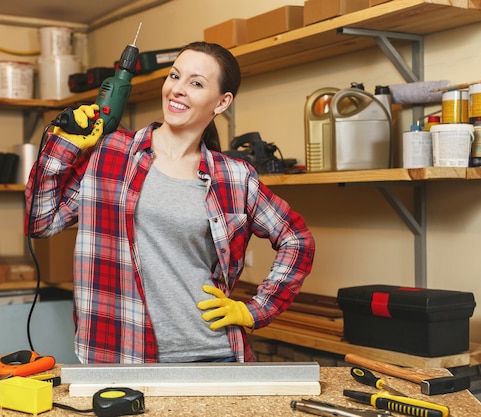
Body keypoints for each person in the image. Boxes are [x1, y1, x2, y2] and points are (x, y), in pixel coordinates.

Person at [25, 41, 315, 364]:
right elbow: (41, 221)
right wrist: (62, 146)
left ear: (222, 102)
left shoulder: (234, 178)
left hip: (210, 355)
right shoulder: (110, 153)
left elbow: (297, 239)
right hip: (120, 354)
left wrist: (253, 311)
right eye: (174, 76)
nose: (177, 89)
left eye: (195, 83)